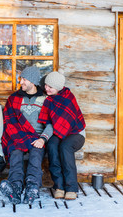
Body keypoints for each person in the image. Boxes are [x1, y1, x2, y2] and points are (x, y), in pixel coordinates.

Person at [0, 66, 53, 205]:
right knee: (15, 153)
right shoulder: (14, 98)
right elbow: (9, 121)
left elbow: (51, 124)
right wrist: (17, 136)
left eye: (24, 79)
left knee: (36, 154)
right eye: (21, 79)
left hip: (37, 137)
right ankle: (16, 187)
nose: (21, 82)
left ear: (33, 81)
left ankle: (32, 187)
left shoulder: (45, 99)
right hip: (18, 136)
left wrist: (43, 139)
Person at [38, 69, 86, 200]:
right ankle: (59, 186)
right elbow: (50, 122)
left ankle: (71, 188)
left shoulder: (68, 98)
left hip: (76, 132)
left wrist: (59, 132)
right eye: (46, 85)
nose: (46, 88)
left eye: (50, 87)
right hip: (58, 132)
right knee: (52, 146)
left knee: (64, 147)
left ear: (58, 87)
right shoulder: (49, 100)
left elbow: (69, 121)